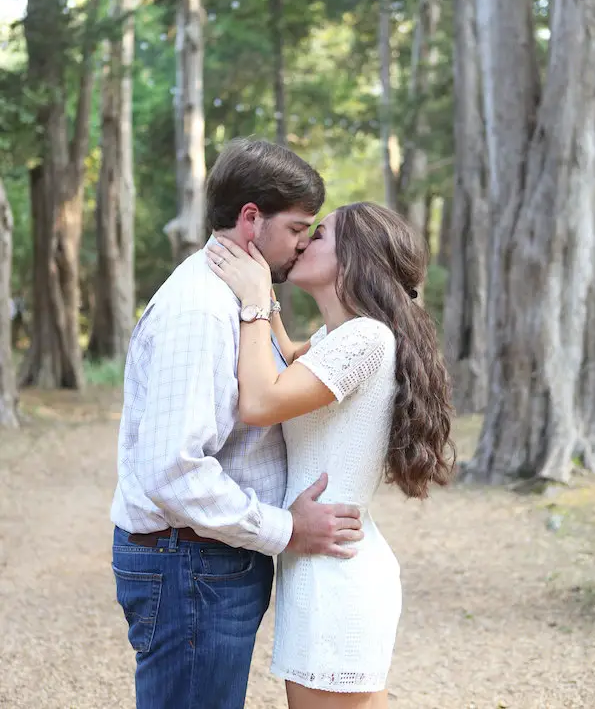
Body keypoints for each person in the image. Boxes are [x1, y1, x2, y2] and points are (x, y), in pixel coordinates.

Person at [111, 139, 364, 709]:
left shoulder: (235, 299)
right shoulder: (202, 308)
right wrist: (283, 528)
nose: (303, 244)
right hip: (191, 562)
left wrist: (267, 307)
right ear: (252, 219)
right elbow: (172, 470)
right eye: (299, 227)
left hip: (207, 560)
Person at [207, 201, 455, 709]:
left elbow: (260, 401)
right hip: (321, 561)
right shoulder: (337, 338)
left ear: (354, 259)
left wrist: (256, 297)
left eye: (318, 236)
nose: (302, 242)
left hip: (337, 571)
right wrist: (266, 302)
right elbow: (288, 356)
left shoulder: (364, 338)